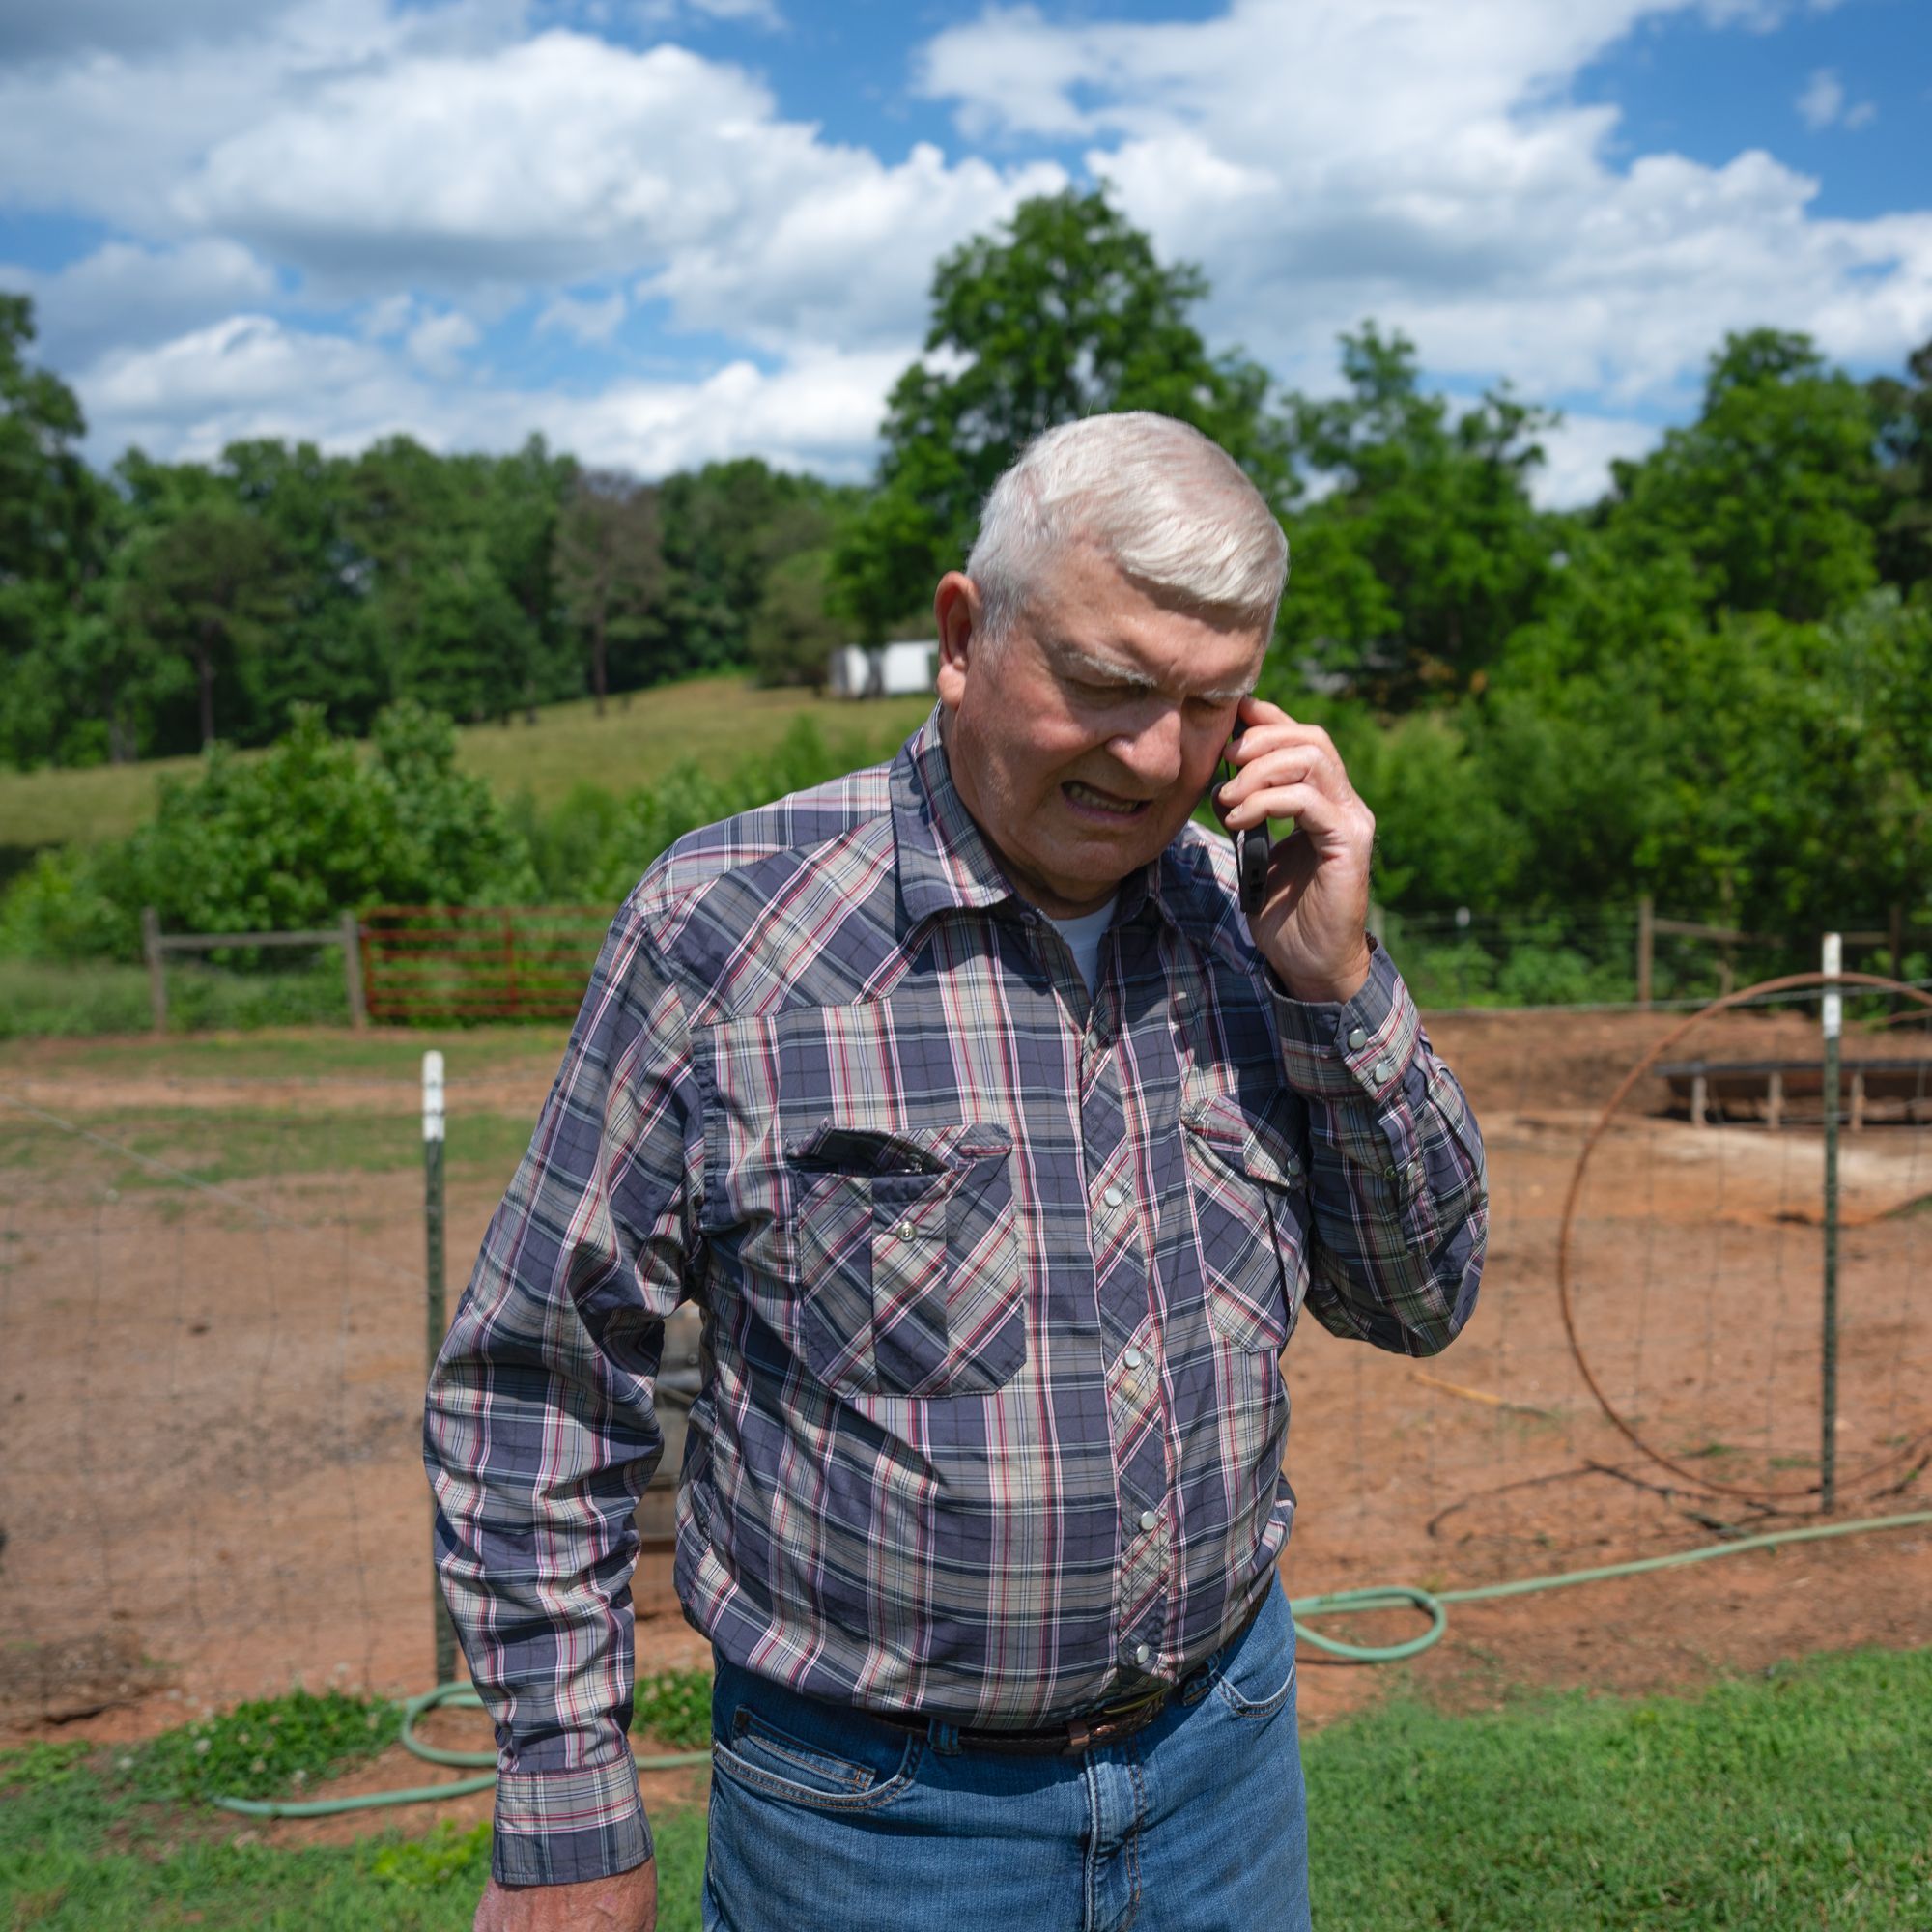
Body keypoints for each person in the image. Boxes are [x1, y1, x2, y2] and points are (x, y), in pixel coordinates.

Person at [425, 412, 1488, 1932]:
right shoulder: (728, 931)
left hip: (1224, 1765)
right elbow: (537, 1383)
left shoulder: (1254, 920)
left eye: (1210, 705)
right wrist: (568, 1818)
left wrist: (1337, 986)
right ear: (962, 634)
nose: (1153, 756)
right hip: (872, 1824)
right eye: (1108, 686)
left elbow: (1422, 1298)